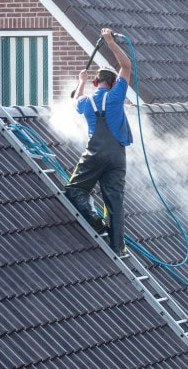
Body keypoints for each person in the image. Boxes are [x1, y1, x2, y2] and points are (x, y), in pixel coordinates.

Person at [65, 28, 133, 256]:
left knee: (75, 190)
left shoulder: (86, 101)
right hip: (117, 156)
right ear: (114, 84)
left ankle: (95, 221)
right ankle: (118, 247)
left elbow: (75, 100)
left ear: (96, 81)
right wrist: (110, 42)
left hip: (94, 154)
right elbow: (126, 66)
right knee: (114, 200)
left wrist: (80, 81)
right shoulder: (116, 96)